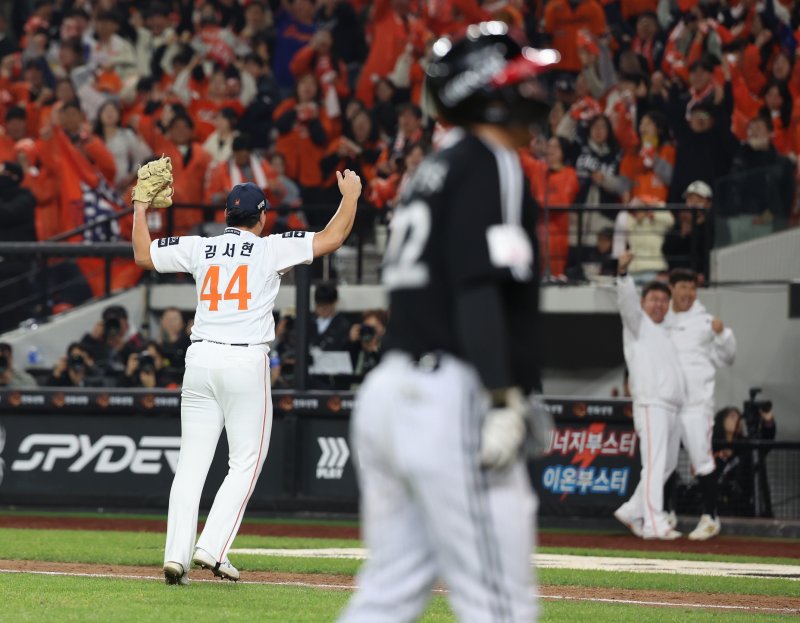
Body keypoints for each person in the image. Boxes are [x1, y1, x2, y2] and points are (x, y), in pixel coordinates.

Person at [339, 24, 552, 622]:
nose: (534, 93)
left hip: (391, 390)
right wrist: (504, 396)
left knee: (386, 597)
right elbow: (478, 288)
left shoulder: (430, 170)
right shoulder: (491, 161)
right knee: (501, 605)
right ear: (488, 91)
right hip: (450, 393)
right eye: (520, 81)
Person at [130, 156, 362, 586]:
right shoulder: (270, 247)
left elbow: (143, 255)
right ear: (262, 216)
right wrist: (350, 197)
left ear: (226, 216)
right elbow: (332, 238)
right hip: (242, 360)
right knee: (245, 462)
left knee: (191, 464)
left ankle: (175, 556)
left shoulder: (201, 246)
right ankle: (212, 547)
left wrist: (141, 209)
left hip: (200, 359)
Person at [613, 250, 685, 540]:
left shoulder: (666, 331)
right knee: (655, 464)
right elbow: (627, 303)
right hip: (651, 404)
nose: (659, 304)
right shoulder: (637, 324)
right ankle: (653, 523)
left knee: (666, 465)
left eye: (664, 300)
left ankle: (632, 510)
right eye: (654, 299)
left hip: (672, 407)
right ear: (643, 303)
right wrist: (623, 275)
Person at [663, 268, 735, 540]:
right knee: (665, 461)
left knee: (702, 461)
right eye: (683, 286)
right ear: (672, 288)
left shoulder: (707, 322)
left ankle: (711, 517)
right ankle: (665, 513)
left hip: (696, 405)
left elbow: (728, 357)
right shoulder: (661, 320)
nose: (688, 293)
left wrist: (723, 334)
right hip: (668, 404)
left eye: (692, 288)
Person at [713, 404, 776, 517]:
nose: (737, 420)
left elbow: (766, 441)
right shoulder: (713, 446)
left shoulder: (747, 446)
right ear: (721, 421)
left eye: (739, 417)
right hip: (719, 508)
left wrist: (768, 421)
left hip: (746, 507)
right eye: (732, 417)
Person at [310, 283, 351, 351]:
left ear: (335, 303)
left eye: (326, 307)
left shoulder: (343, 324)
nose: (322, 310)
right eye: (319, 306)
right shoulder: (308, 321)